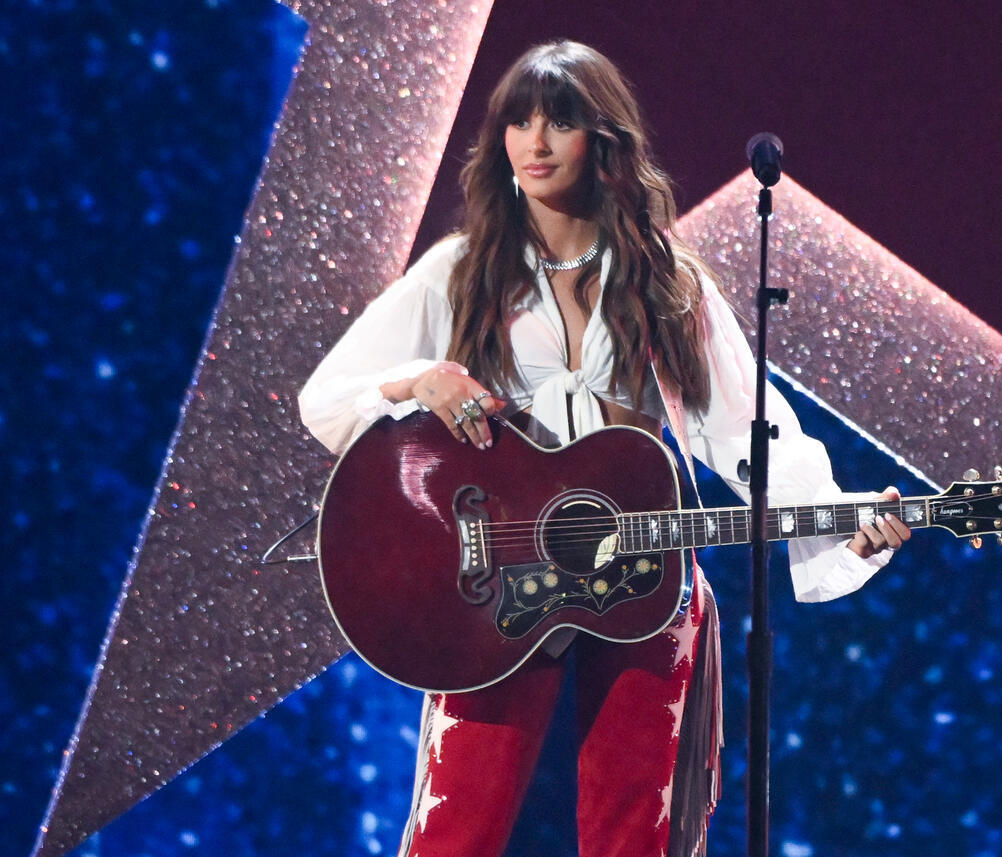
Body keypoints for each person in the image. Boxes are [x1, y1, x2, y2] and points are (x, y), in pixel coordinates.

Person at [299, 39, 909, 857]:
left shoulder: (664, 279)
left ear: (606, 141)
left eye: (560, 120)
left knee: (634, 839)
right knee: (455, 834)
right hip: (492, 587)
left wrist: (840, 515)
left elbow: (752, 434)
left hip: (642, 579)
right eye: (518, 121)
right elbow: (324, 398)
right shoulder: (461, 272)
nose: (536, 142)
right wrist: (419, 378)